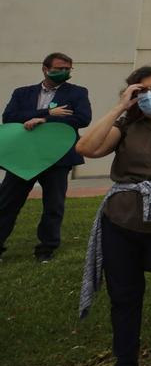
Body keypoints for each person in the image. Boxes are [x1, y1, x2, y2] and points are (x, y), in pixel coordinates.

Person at [75, 64, 151, 366]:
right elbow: (86, 147)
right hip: (121, 223)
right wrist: (119, 107)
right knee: (124, 297)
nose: (148, 96)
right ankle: (125, 364)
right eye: (141, 91)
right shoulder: (127, 124)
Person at [0, 52, 92, 262]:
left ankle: (46, 249)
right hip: (24, 157)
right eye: (59, 68)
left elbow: (83, 118)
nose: (64, 72)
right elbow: (9, 117)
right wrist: (45, 114)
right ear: (45, 68)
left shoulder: (77, 93)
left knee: (53, 205)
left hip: (57, 158)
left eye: (68, 68)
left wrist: (44, 121)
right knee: (6, 203)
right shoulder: (22, 93)